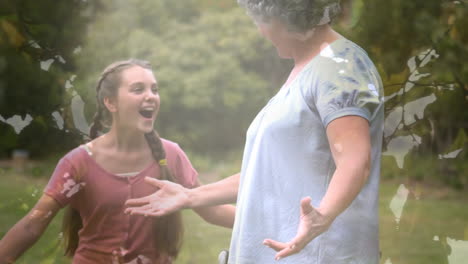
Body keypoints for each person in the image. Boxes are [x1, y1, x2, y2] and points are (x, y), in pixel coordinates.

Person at [125, 0, 384, 263]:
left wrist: (323, 216)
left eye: (263, 22)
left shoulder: (339, 67)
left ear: (288, 18)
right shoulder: (307, 70)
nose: (261, 31)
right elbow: (268, 172)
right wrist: (191, 195)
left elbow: (354, 159)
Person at [0, 59, 234, 264]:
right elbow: (32, 225)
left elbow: (212, 211)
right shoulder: (78, 162)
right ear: (110, 103)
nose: (151, 96)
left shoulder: (170, 155)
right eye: (138, 89)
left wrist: (269, 223)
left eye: (155, 89)